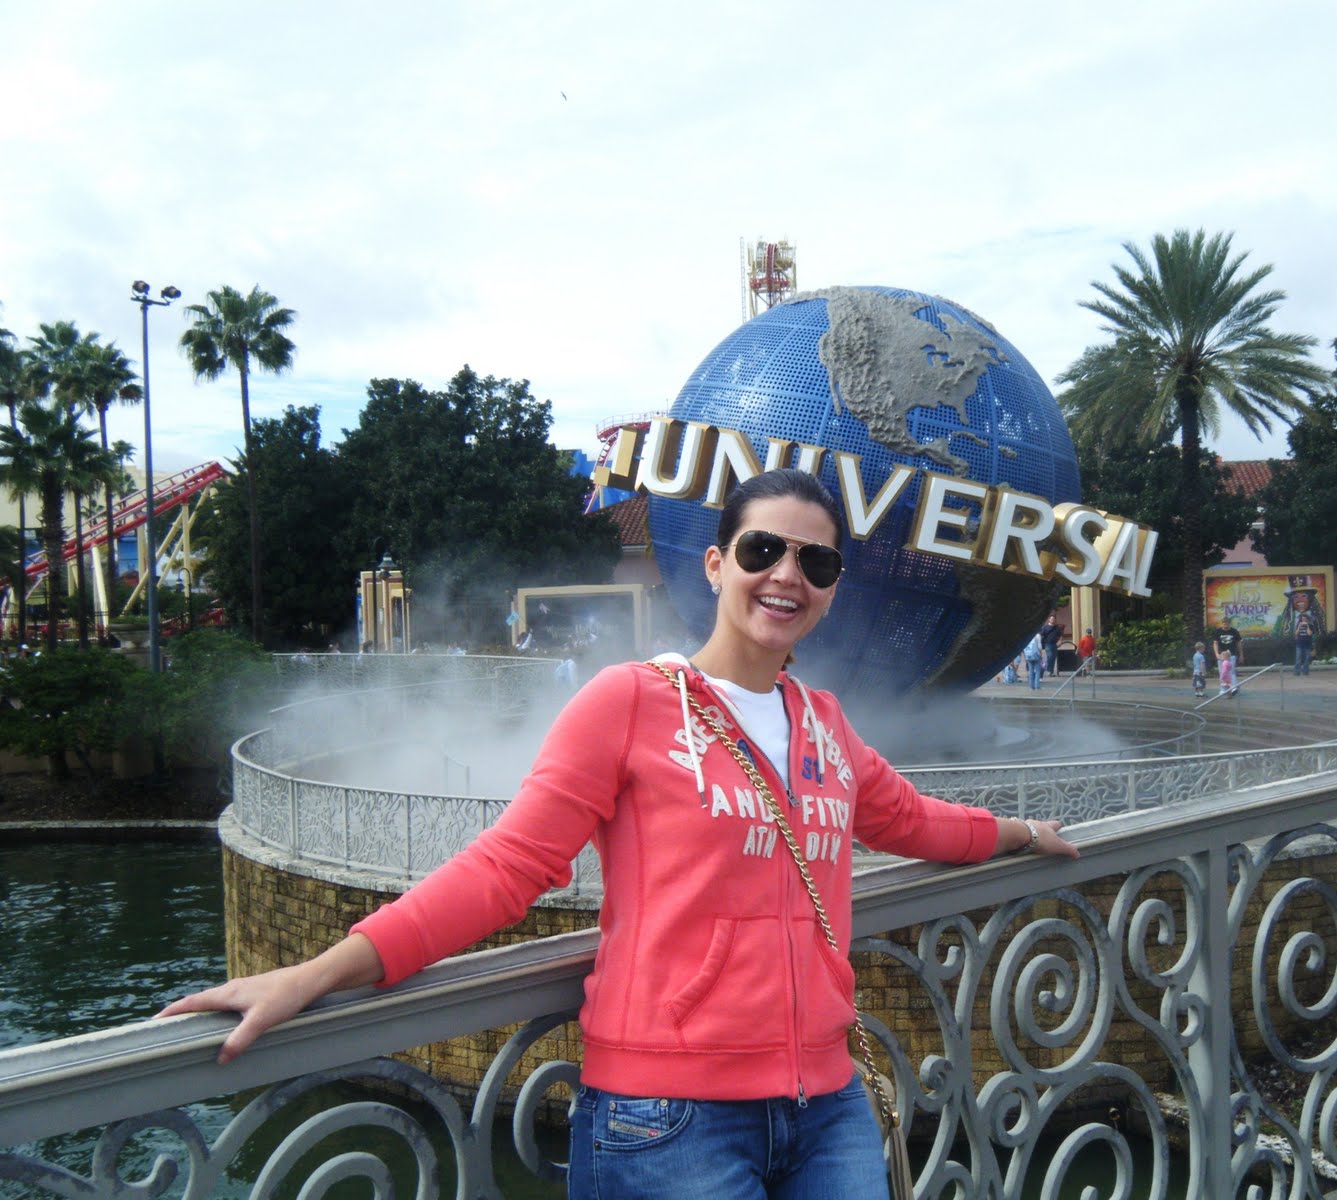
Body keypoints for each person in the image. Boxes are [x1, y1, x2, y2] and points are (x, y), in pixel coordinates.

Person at [157, 469, 1080, 1200]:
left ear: (834, 588)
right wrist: (319, 974)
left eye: (817, 562)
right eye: (763, 549)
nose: (787, 576)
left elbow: (910, 819)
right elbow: (508, 867)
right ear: (716, 565)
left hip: (826, 1103)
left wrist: (1016, 831)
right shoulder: (630, 702)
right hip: (670, 1114)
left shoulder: (824, 725)